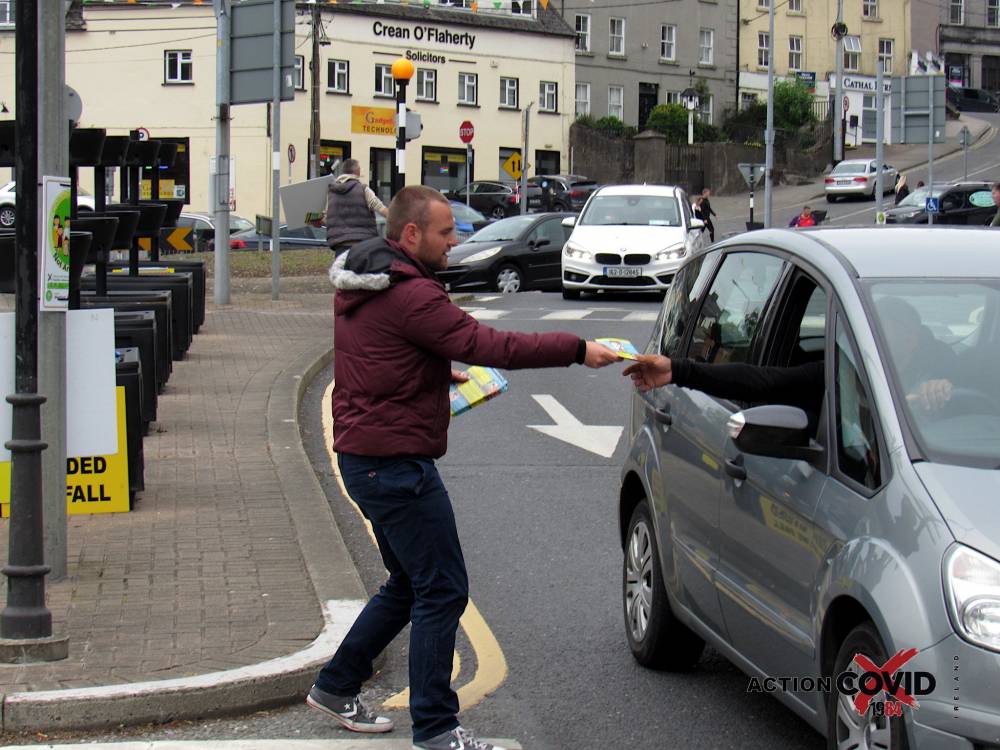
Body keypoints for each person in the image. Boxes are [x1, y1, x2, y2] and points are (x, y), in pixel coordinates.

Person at [312, 186, 620, 750]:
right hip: (394, 465)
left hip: (368, 456)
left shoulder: (370, 282)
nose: (455, 243)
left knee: (410, 582)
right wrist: (577, 349)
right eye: (445, 232)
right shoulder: (412, 295)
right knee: (443, 590)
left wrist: (432, 372)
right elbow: (490, 344)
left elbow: (379, 356)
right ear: (411, 235)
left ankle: (336, 685)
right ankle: (436, 728)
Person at [621, 297, 956, 417]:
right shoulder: (837, 375)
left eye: (908, 334)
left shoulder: (948, 370)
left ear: (919, 339)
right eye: (889, 333)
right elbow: (760, 380)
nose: (900, 342)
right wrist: (679, 370)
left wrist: (945, 393)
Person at [325, 158, 389, 257]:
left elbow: (327, 219)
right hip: (362, 244)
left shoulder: (332, 192)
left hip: (340, 245)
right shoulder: (363, 189)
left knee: (342, 272)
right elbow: (380, 208)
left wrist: (316, 222)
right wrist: (398, 219)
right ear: (357, 171)